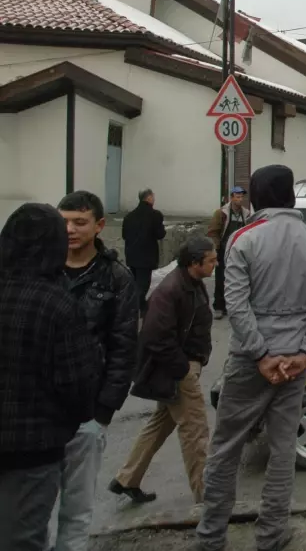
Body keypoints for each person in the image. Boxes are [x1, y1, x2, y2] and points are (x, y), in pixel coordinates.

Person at [196, 165, 306, 551]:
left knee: (226, 447)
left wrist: (260, 354)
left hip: (249, 361)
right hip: (295, 363)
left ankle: (210, 537)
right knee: (282, 448)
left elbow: (236, 305)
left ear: (256, 195)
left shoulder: (243, 239)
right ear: (290, 195)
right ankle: (272, 534)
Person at [0, 204, 99, 551]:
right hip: (34, 449)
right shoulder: (57, 304)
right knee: (22, 539)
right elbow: (77, 385)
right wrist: (66, 424)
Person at [55, 190, 140, 551]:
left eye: (79, 222)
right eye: (63, 223)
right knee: (33, 507)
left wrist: (104, 411)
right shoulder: (41, 270)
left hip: (88, 411)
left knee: (76, 511)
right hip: (39, 409)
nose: (70, 230)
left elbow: (124, 348)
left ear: (99, 226)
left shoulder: (116, 279)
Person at [109, 237, 217, 506]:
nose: (216, 263)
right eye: (211, 260)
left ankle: (126, 479)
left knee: (161, 423)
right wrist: (183, 370)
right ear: (195, 263)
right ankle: (207, 500)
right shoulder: (171, 290)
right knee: (195, 431)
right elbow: (156, 335)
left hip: (183, 366)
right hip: (177, 371)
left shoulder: (191, 283)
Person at [207, 187, 252, 321]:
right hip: (223, 250)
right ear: (231, 197)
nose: (240, 199)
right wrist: (215, 248)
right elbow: (213, 232)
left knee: (238, 279)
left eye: (241, 197)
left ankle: (234, 306)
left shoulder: (246, 214)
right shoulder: (221, 213)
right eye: (237, 196)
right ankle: (219, 307)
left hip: (239, 251)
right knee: (221, 279)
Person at [121, 188, 166, 319]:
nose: (154, 199)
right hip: (146, 255)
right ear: (149, 198)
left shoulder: (129, 216)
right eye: (153, 196)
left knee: (135, 282)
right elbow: (160, 234)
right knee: (143, 285)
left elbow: (124, 235)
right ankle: (136, 307)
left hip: (131, 254)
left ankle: (140, 306)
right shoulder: (155, 215)